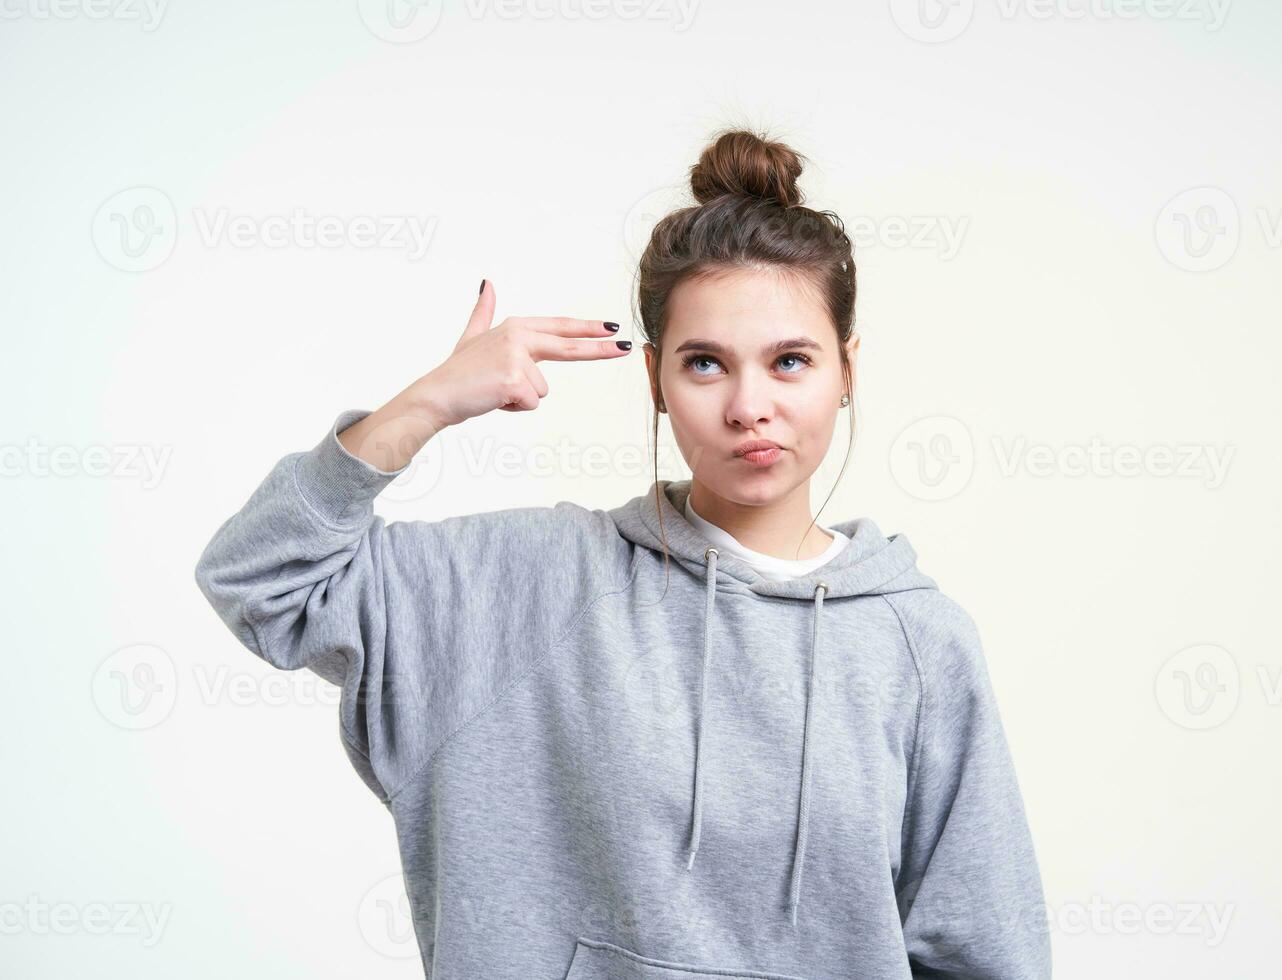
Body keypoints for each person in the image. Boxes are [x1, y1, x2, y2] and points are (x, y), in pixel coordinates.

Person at [194, 128, 1051, 979]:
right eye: (705, 365)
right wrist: (430, 403)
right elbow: (262, 580)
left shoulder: (921, 645)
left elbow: (986, 955)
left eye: (791, 361)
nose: (751, 405)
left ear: (847, 369)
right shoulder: (534, 586)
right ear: (654, 380)